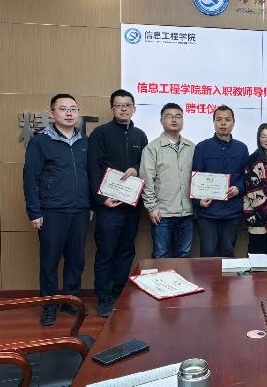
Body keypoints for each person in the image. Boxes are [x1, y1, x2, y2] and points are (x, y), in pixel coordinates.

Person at [23, 93, 90, 326]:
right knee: (49, 262)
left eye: (73, 108)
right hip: (51, 211)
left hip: (80, 211)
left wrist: (90, 205)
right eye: (63, 109)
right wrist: (34, 212)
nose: (69, 113)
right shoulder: (40, 141)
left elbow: (90, 175)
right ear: (52, 113)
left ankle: (70, 301)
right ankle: (49, 306)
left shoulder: (84, 141)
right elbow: (30, 178)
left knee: (76, 261)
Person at [88, 89, 148, 317]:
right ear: (112, 108)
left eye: (127, 105)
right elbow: (93, 167)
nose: (123, 109)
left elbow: (146, 166)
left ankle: (119, 294)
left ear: (134, 108)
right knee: (106, 252)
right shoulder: (100, 134)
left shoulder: (140, 136)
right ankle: (104, 298)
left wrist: (137, 168)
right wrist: (102, 199)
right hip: (109, 206)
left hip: (131, 206)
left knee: (126, 251)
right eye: (119, 105)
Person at [192, 105, 248, 257]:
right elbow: (195, 177)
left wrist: (238, 188)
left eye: (227, 120)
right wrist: (198, 201)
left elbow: (246, 177)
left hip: (232, 211)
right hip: (208, 211)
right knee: (208, 253)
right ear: (214, 122)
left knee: (228, 253)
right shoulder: (202, 147)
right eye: (219, 119)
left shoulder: (242, 148)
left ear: (233, 122)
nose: (223, 123)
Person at [140, 103, 195, 258]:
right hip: (162, 214)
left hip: (187, 213)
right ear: (161, 120)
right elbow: (146, 180)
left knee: (184, 256)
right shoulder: (152, 148)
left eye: (178, 116)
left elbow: (198, 178)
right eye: (169, 116)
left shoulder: (191, 147)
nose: (174, 120)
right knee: (160, 256)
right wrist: (152, 208)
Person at [244, 123, 267, 255]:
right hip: (257, 216)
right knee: (256, 255)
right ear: (258, 138)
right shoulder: (252, 160)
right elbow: (253, 191)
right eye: (263, 136)